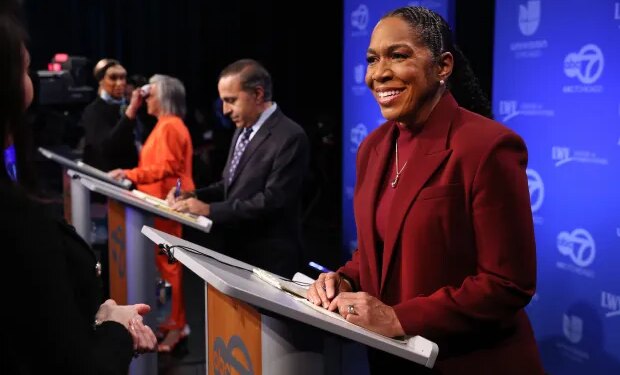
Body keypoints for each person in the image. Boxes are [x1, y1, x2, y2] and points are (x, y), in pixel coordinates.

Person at [306, 6, 544, 374]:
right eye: (372, 60)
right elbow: (382, 255)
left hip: (469, 363)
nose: (379, 73)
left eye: (398, 56)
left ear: (443, 66)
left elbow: (507, 284)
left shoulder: (488, 146)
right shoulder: (372, 149)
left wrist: (398, 318)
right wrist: (344, 278)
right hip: (391, 361)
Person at [0, 10, 157, 374]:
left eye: (123, 77)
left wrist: (102, 313)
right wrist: (115, 328)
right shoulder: (19, 223)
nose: (120, 84)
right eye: (24, 69)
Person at [168, 59, 310, 279]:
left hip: (269, 260)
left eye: (231, 100)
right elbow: (229, 184)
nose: (224, 110)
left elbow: (272, 201)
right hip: (236, 250)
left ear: (258, 94)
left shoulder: (290, 136)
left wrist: (209, 210)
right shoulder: (242, 129)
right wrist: (194, 195)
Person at [109, 74, 195, 352]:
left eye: (151, 94)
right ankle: (171, 323)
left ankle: (175, 327)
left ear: (165, 97)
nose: (146, 99)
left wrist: (129, 173)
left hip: (165, 209)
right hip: (156, 208)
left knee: (170, 271)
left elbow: (167, 169)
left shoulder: (171, 127)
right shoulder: (165, 126)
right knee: (165, 271)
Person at [79, 58, 138, 172]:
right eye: (113, 78)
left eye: (122, 78)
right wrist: (128, 117)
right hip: (107, 178)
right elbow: (105, 147)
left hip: (130, 174)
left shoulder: (128, 105)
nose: (120, 83)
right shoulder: (93, 111)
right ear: (101, 80)